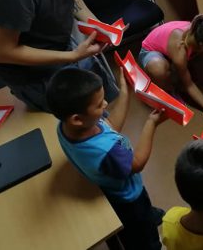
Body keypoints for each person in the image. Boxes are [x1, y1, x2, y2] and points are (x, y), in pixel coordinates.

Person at [46, 68, 165, 250]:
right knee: (143, 237)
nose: (106, 104)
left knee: (144, 215)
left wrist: (125, 91)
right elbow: (137, 163)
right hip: (128, 199)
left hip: (109, 186)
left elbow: (111, 126)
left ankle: (148, 216)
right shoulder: (106, 151)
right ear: (77, 119)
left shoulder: (65, 127)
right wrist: (151, 124)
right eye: (99, 104)